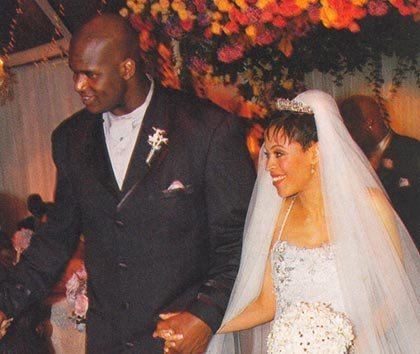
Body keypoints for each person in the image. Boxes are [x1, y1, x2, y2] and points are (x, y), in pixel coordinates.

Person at [0, 13, 255, 353]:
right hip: (108, 341)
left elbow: (238, 240)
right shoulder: (70, 139)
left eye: (90, 74)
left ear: (127, 68)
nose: (78, 85)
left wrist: (206, 315)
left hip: (182, 337)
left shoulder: (207, 130)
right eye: (75, 73)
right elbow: (56, 238)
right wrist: (6, 302)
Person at [158, 90, 420, 353]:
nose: (269, 165)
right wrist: (201, 323)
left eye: (279, 154)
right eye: (267, 154)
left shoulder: (369, 206)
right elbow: (265, 305)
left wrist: (352, 345)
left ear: (314, 153)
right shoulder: (279, 216)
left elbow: (397, 293)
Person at [340, 95, 420, 248]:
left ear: (369, 123)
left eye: (351, 126)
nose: (348, 132)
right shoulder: (350, 156)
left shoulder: (412, 150)